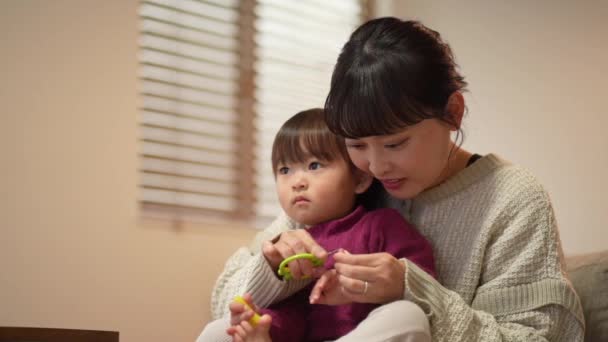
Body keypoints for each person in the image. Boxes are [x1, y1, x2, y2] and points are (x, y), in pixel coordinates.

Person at [204, 17, 585, 341]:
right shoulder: (345, 180)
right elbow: (224, 300)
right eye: (357, 145)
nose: (375, 166)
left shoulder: (514, 199)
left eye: (394, 143)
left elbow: (538, 336)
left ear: (453, 112)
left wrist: (413, 288)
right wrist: (271, 271)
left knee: (405, 318)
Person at [198, 108, 435, 342]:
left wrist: (378, 284)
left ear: (360, 178)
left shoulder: (382, 225)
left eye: (314, 166)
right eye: (285, 170)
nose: (297, 182)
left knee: (408, 316)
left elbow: (423, 284)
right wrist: (261, 326)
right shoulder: (291, 244)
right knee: (219, 331)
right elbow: (291, 316)